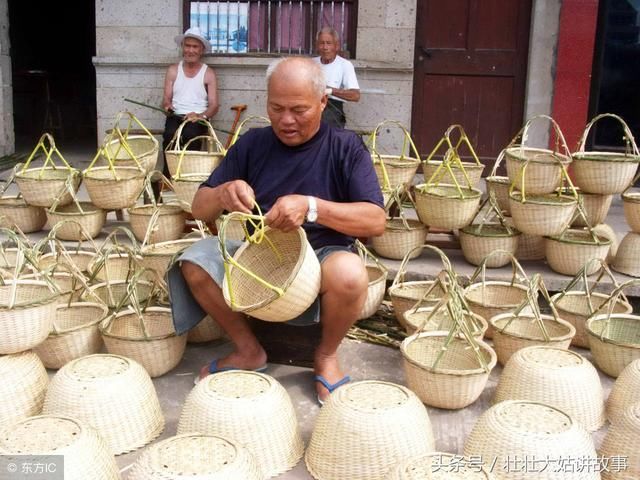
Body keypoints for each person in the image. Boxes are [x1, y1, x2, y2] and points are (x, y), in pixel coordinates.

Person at [167, 56, 385, 404]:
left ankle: (326, 356)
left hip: (322, 255)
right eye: (276, 107)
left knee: (350, 273)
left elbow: (376, 220)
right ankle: (248, 350)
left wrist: (312, 208)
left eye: (299, 109)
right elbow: (198, 207)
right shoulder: (253, 144)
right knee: (194, 262)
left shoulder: (345, 148)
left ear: (323, 102)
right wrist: (223, 193)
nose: (286, 120)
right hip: (258, 252)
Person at [158, 27, 219, 193]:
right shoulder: (172, 70)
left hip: (197, 119)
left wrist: (201, 115)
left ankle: (188, 182)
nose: (190, 50)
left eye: (195, 47)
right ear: (182, 47)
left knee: (191, 136)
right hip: (176, 116)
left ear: (201, 50)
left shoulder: (209, 73)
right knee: (170, 137)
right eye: (187, 46)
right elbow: (166, 99)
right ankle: (168, 182)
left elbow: (214, 105)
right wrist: (167, 106)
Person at [313, 27, 360, 129]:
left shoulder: (345, 65)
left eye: (329, 43)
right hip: (311, 108)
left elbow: (355, 95)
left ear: (337, 46)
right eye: (322, 43)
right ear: (317, 46)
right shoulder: (311, 64)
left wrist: (328, 90)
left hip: (332, 112)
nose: (325, 47)